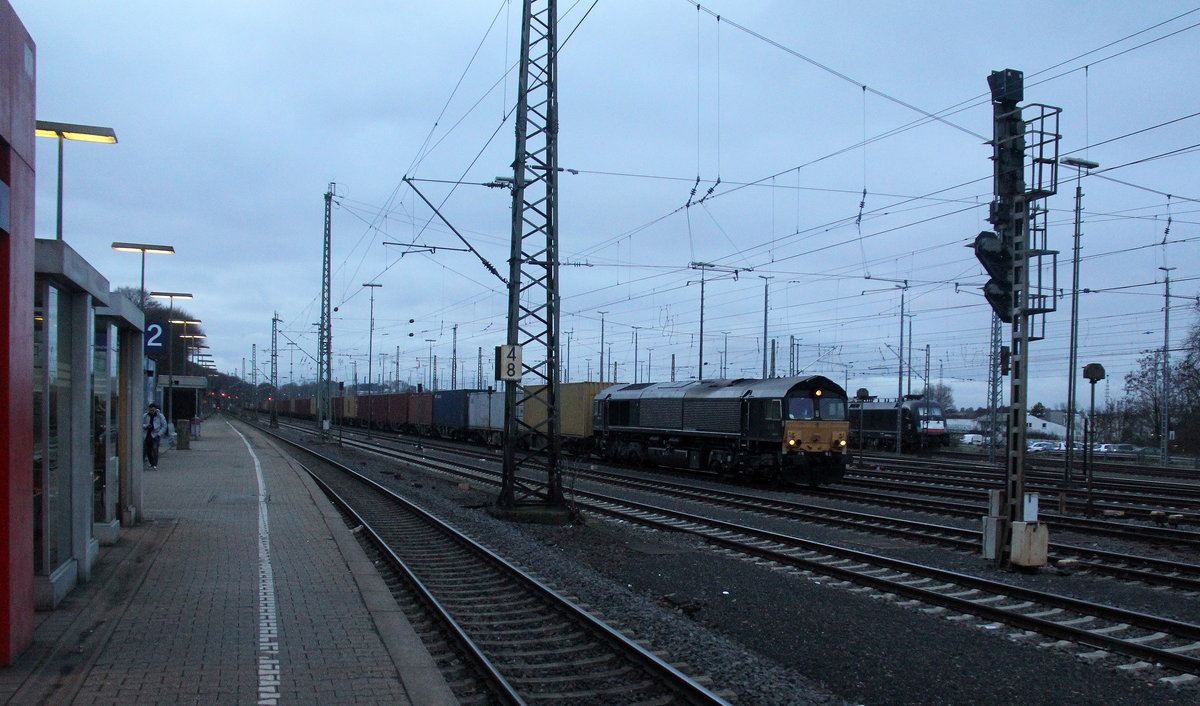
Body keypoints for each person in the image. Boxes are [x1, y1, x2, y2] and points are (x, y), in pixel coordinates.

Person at [143, 403, 168, 470]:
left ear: (155, 410)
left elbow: (164, 426)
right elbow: (141, 424)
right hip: (147, 434)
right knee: (148, 450)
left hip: (155, 434)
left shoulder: (160, 416)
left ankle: (154, 465)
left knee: (155, 449)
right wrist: (146, 426)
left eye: (153, 410)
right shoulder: (145, 415)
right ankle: (151, 463)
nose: (151, 412)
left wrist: (159, 434)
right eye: (150, 410)